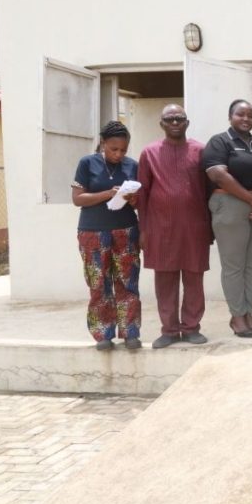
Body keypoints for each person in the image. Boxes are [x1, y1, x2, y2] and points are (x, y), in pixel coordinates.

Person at [136, 104, 211, 349]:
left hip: (194, 227)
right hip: (161, 228)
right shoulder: (149, 153)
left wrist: (210, 227)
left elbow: (209, 190)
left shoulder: (200, 150)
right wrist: (143, 230)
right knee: (165, 281)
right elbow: (142, 194)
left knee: (194, 278)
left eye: (180, 118)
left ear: (187, 123)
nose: (175, 122)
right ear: (162, 124)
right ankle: (168, 330)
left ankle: (191, 328)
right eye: (170, 119)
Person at [202, 99, 252, 339]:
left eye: (250, 115)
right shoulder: (220, 141)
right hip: (230, 204)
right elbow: (218, 175)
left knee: (251, 265)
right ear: (230, 116)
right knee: (234, 265)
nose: (246, 119)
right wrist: (251, 200)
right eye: (240, 115)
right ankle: (237, 316)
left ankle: (248, 312)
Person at [71, 120, 141, 351]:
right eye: (114, 149)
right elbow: (78, 199)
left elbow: (141, 200)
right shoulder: (87, 163)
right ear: (103, 143)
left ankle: (130, 332)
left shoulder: (132, 165)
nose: (119, 154)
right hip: (93, 232)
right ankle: (103, 334)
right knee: (99, 284)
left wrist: (132, 198)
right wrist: (106, 194)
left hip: (126, 231)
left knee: (128, 283)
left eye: (123, 149)